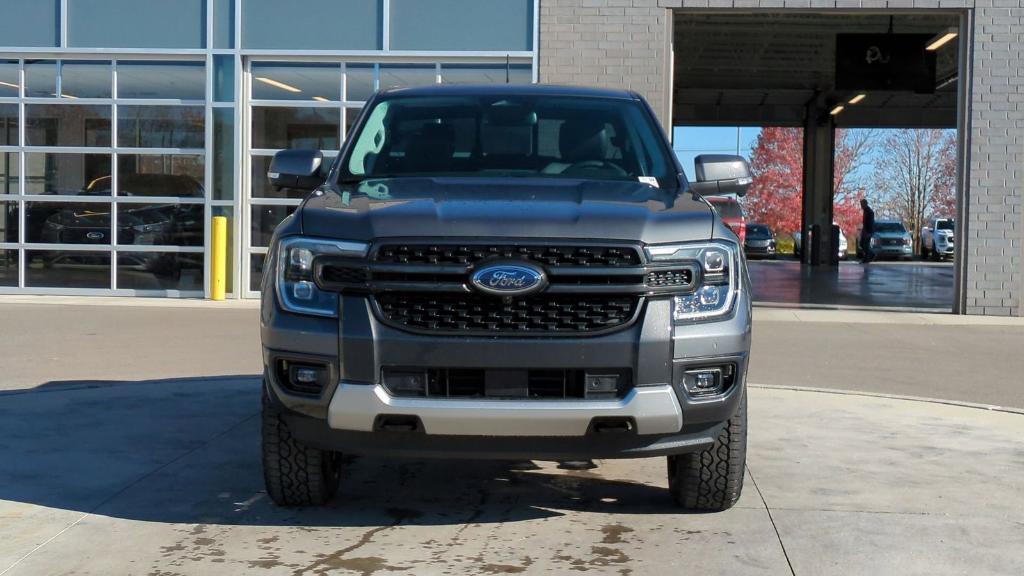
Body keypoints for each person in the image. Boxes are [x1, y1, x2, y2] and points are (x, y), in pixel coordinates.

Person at [859, 198, 875, 264]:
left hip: (868, 230)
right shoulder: (865, 211)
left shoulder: (869, 212)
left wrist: (867, 231)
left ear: (865, 204)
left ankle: (866, 259)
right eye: (861, 204)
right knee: (862, 244)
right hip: (865, 230)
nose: (861, 206)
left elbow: (870, 223)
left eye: (862, 204)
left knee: (865, 245)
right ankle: (871, 254)